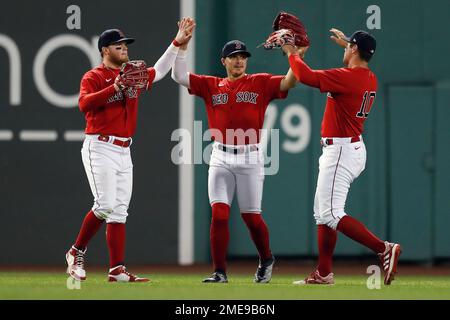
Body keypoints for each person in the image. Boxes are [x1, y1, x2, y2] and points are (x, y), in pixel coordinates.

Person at [65, 19, 194, 282]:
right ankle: (75, 251)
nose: (124, 48)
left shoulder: (132, 75)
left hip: (125, 149)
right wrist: (114, 88)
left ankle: (116, 270)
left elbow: (158, 71)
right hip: (99, 146)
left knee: (120, 210)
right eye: (118, 45)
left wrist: (178, 41)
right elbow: (83, 104)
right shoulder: (94, 76)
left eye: (125, 44)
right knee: (104, 205)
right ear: (104, 50)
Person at [172, 19, 297, 283]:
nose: (239, 61)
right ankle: (219, 272)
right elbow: (179, 76)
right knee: (219, 215)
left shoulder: (260, 82)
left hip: (250, 156)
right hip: (220, 155)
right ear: (223, 62)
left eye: (243, 57)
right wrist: (182, 46)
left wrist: (294, 55)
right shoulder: (210, 85)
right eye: (233, 57)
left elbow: (288, 83)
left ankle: (266, 258)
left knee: (251, 218)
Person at [281, 29, 401, 285]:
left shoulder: (348, 77)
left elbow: (306, 76)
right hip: (348, 148)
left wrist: (291, 53)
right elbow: (353, 64)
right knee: (322, 214)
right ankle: (324, 273)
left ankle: (383, 248)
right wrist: (349, 44)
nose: (345, 48)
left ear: (355, 50)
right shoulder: (368, 77)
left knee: (332, 213)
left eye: (349, 46)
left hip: (341, 151)